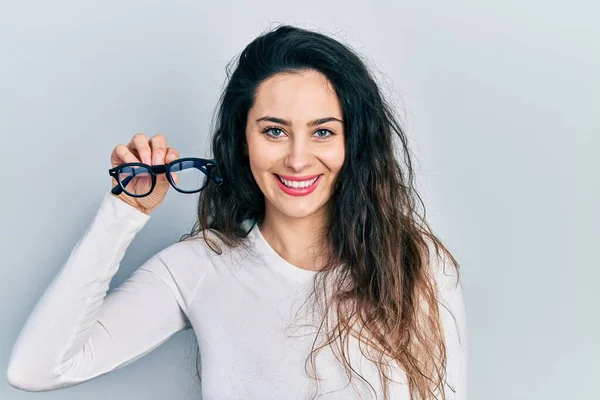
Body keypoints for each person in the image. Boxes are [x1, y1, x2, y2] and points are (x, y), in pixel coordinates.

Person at [6, 24, 467, 399]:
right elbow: (36, 369)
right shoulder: (200, 266)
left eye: (323, 132)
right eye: (274, 131)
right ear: (242, 139)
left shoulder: (415, 263)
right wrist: (125, 210)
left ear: (354, 142)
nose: (298, 158)